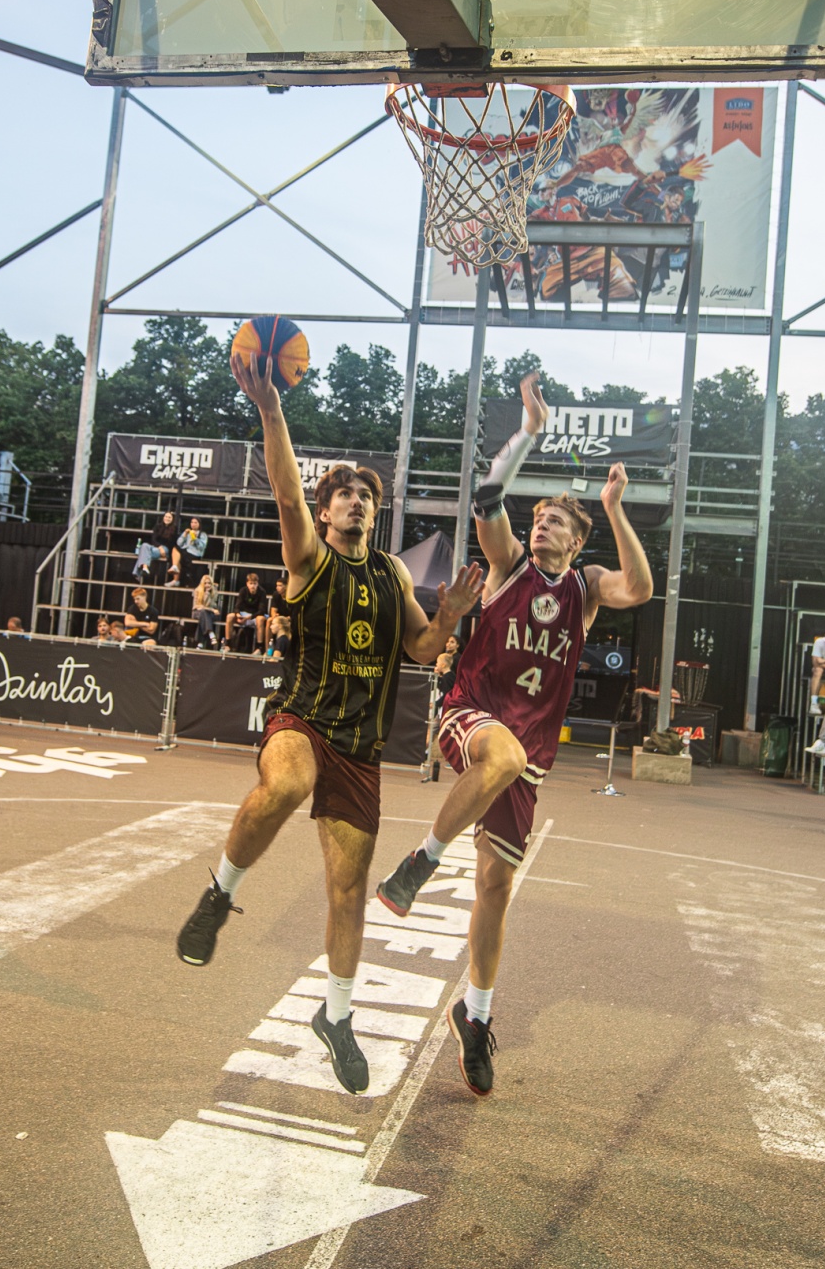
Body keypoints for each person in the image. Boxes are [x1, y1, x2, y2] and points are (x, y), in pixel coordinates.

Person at [174, 348, 480, 1097]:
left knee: (348, 891)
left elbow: (421, 650)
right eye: (344, 495)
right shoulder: (309, 558)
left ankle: (336, 1016)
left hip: (361, 747)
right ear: (325, 511)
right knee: (284, 786)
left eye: (366, 497)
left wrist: (448, 617)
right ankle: (219, 894)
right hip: (302, 719)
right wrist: (271, 408)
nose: (357, 503)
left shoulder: (394, 573)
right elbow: (285, 494)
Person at [375, 372, 653, 1096]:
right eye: (540, 519)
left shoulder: (585, 590)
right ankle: (421, 861)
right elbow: (487, 498)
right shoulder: (507, 566)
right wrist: (527, 432)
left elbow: (641, 588)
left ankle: (475, 1016)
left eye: (556, 522)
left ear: (578, 539)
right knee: (499, 752)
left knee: (496, 885)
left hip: (527, 756)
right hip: (470, 714)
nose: (542, 526)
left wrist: (615, 508)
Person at [226, 571, 270, 653]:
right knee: (230, 616)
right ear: (247, 584)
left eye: (255, 583)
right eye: (251, 583)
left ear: (257, 584)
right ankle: (228, 644)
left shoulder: (262, 592)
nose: (253, 586)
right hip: (244, 615)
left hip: (255, 615)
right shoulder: (243, 591)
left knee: (260, 619)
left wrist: (249, 617)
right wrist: (238, 615)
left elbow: (262, 610)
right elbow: (237, 606)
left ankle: (259, 647)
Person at [152, 509, 183, 582]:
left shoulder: (174, 529)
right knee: (144, 546)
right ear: (163, 517)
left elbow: (172, 543)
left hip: (167, 550)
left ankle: (175, 579)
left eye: (169, 517)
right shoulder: (158, 526)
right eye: (166, 517)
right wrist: (160, 547)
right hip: (157, 548)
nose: (167, 518)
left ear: (172, 519)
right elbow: (153, 539)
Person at [178, 517, 211, 583]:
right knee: (175, 550)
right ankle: (177, 576)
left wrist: (195, 539)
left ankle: (185, 577)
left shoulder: (203, 534)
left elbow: (201, 547)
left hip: (195, 554)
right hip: (186, 552)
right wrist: (184, 535)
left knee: (182, 558)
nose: (193, 524)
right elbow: (179, 543)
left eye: (195, 522)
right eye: (192, 522)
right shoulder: (187, 532)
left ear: (199, 524)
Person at [191, 574, 220, 649]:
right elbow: (197, 606)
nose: (207, 585)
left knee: (203, 619)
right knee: (203, 613)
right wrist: (211, 609)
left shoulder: (214, 592)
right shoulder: (197, 590)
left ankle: (200, 643)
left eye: (209, 583)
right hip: (197, 612)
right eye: (205, 583)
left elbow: (212, 605)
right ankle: (210, 633)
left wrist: (208, 594)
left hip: (208, 614)